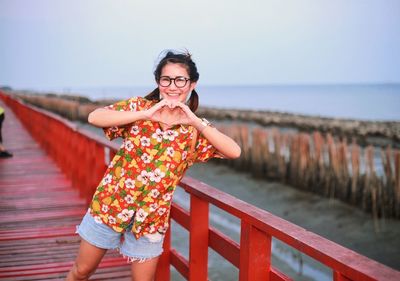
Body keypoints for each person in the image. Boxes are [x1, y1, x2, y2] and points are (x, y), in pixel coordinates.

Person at [66, 50, 241, 281]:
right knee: (81, 272)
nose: (173, 86)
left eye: (181, 80)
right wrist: (147, 114)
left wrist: (195, 121)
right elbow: (94, 117)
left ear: (192, 84)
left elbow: (234, 151)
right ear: (158, 82)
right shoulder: (140, 108)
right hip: (110, 205)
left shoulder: (194, 130)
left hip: (150, 221)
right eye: (166, 79)